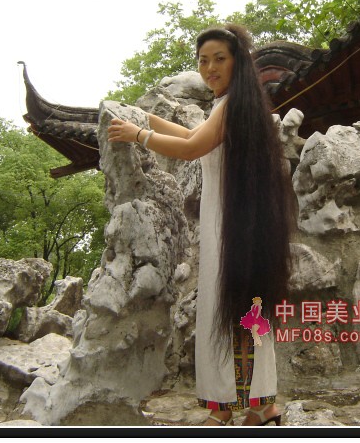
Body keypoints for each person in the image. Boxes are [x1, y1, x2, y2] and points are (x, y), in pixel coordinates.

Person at [107, 23, 294, 427]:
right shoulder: (231, 104)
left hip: (230, 230)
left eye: (219, 59)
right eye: (203, 60)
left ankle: (240, 407)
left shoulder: (231, 104)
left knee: (233, 311)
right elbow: (195, 135)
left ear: (237, 62)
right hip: (230, 226)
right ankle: (254, 407)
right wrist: (148, 119)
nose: (210, 68)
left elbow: (192, 148)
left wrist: (138, 134)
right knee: (240, 312)